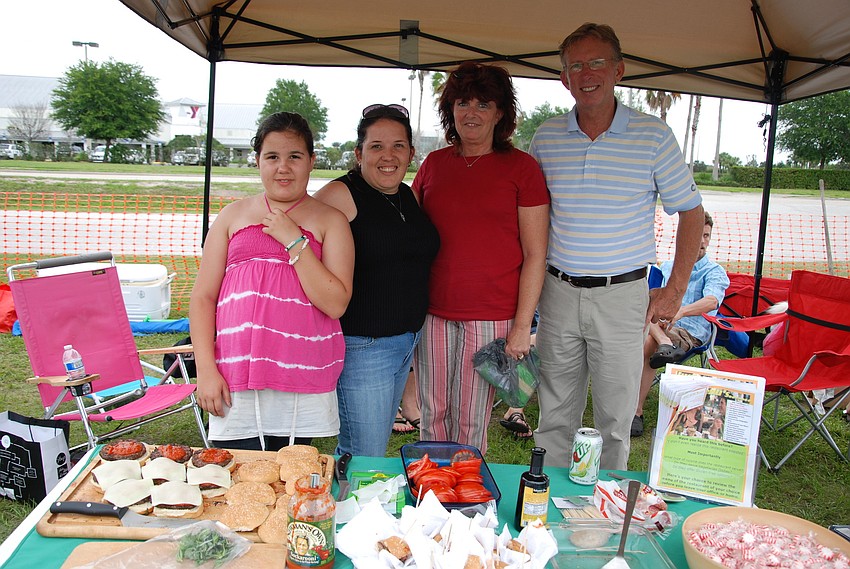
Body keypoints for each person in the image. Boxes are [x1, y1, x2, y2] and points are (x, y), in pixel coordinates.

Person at [529, 23, 705, 470]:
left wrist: (675, 290)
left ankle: (603, 518)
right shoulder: (545, 138)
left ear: (619, 70)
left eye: (596, 62)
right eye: (575, 66)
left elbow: (691, 212)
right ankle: (542, 512)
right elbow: (530, 218)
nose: (586, 73)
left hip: (623, 296)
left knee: (615, 418)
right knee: (554, 417)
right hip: (558, 292)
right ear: (564, 78)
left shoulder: (653, 135)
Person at [189, 111, 354, 451]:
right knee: (237, 478)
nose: (283, 167)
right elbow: (203, 297)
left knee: (289, 477)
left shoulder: (331, 221)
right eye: (272, 157)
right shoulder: (232, 216)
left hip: (300, 376)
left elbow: (335, 303)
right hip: (236, 377)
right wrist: (206, 370)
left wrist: (294, 240)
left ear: (311, 161)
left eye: (295, 156)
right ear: (257, 161)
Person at [413, 61, 550, 454]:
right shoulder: (434, 165)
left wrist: (523, 325)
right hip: (435, 311)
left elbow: (536, 253)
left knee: (472, 418)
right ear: (450, 110)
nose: (470, 113)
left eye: (483, 104)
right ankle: (429, 492)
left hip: (492, 316)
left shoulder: (522, 169)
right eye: (462, 103)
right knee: (433, 410)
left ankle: (468, 502)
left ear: (500, 112)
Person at [314, 103, 439, 457]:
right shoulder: (341, 195)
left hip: (406, 344)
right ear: (359, 153)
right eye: (376, 146)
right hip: (363, 347)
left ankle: (351, 507)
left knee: (371, 448)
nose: (389, 156)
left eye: (398, 146)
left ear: (412, 153)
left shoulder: (408, 194)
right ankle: (342, 510)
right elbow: (295, 243)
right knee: (362, 454)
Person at [631, 211, 729, 437]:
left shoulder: (713, 271)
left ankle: (635, 412)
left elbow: (712, 300)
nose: (702, 241)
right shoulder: (667, 267)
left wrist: (680, 311)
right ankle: (663, 341)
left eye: (706, 236)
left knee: (647, 343)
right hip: (658, 324)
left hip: (688, 331)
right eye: (698, 236)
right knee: (642, 317)